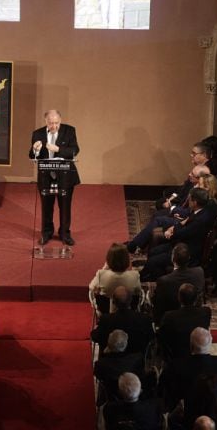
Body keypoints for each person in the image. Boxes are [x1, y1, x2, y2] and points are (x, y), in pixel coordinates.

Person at [29, 109, 80, 246]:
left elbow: (75, 150)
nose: (54, 126)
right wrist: (36, 149)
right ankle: (46, 233)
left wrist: (58, 150)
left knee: (65, 206)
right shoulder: (38, 133)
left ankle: (65, 233)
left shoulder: (69, 131)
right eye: (51, 123)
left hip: (65, 176)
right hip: (46, 177)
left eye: (56, 123)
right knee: (46, 207)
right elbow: (32, 155)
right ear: (46, 121)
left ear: (60, 121)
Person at [160, 327, 217, 412]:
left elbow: (164, 385)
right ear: (210, 344)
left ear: (191, 345)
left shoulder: (176, 365)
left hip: (184, 410)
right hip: (212, 409)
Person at [90, 286, 154, 355]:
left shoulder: (106, 320)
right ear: (131, 300)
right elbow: (151, 338)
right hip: (137, 362)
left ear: (113, 302)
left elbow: (95, 336)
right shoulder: (144, 319)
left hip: (110, 361)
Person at [151, 243, 205, 324]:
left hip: (172, 318)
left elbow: (157, 303)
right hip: (194, 316)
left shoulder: (164, 281)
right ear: (189, 258)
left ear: (172, 259)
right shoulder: (200, 272)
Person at [157, 284, 212, 360]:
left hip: (177, 354)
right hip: (199, 352)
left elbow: (161, 336)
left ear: (179, 298)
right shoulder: (206, 312)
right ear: (196, 298)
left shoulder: (169, 316)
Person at [89, 243, 142, 311]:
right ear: (127, 259)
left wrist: (104, 268)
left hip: (105, 310)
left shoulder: (101, 274)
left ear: (109, 259)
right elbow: (138, 292)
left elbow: (91, 288)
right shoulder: (135, 275)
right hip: (129, 310)